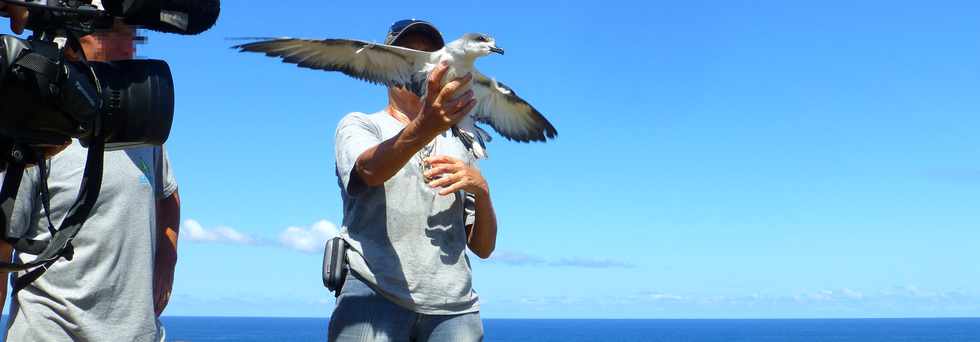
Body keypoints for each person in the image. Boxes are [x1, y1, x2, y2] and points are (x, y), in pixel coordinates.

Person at [0, 14, 181, 342]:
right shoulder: (39, 124)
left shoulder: (139, 120)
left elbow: (168, 195)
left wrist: (167, 260)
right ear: (71, 38)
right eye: (110, 33)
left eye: (135, 37)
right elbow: (2, 243)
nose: (128, 47)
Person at [329, 19, 497, 342]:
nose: (417, 67)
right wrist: (427, 125)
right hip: (374, 296)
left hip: (454, 310)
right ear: (384, 64)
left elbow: (484, 247)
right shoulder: (360, 125)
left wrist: (483, 191)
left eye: (428, 58)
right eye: (406, 56)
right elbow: (370, 170)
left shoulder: (462, 142)